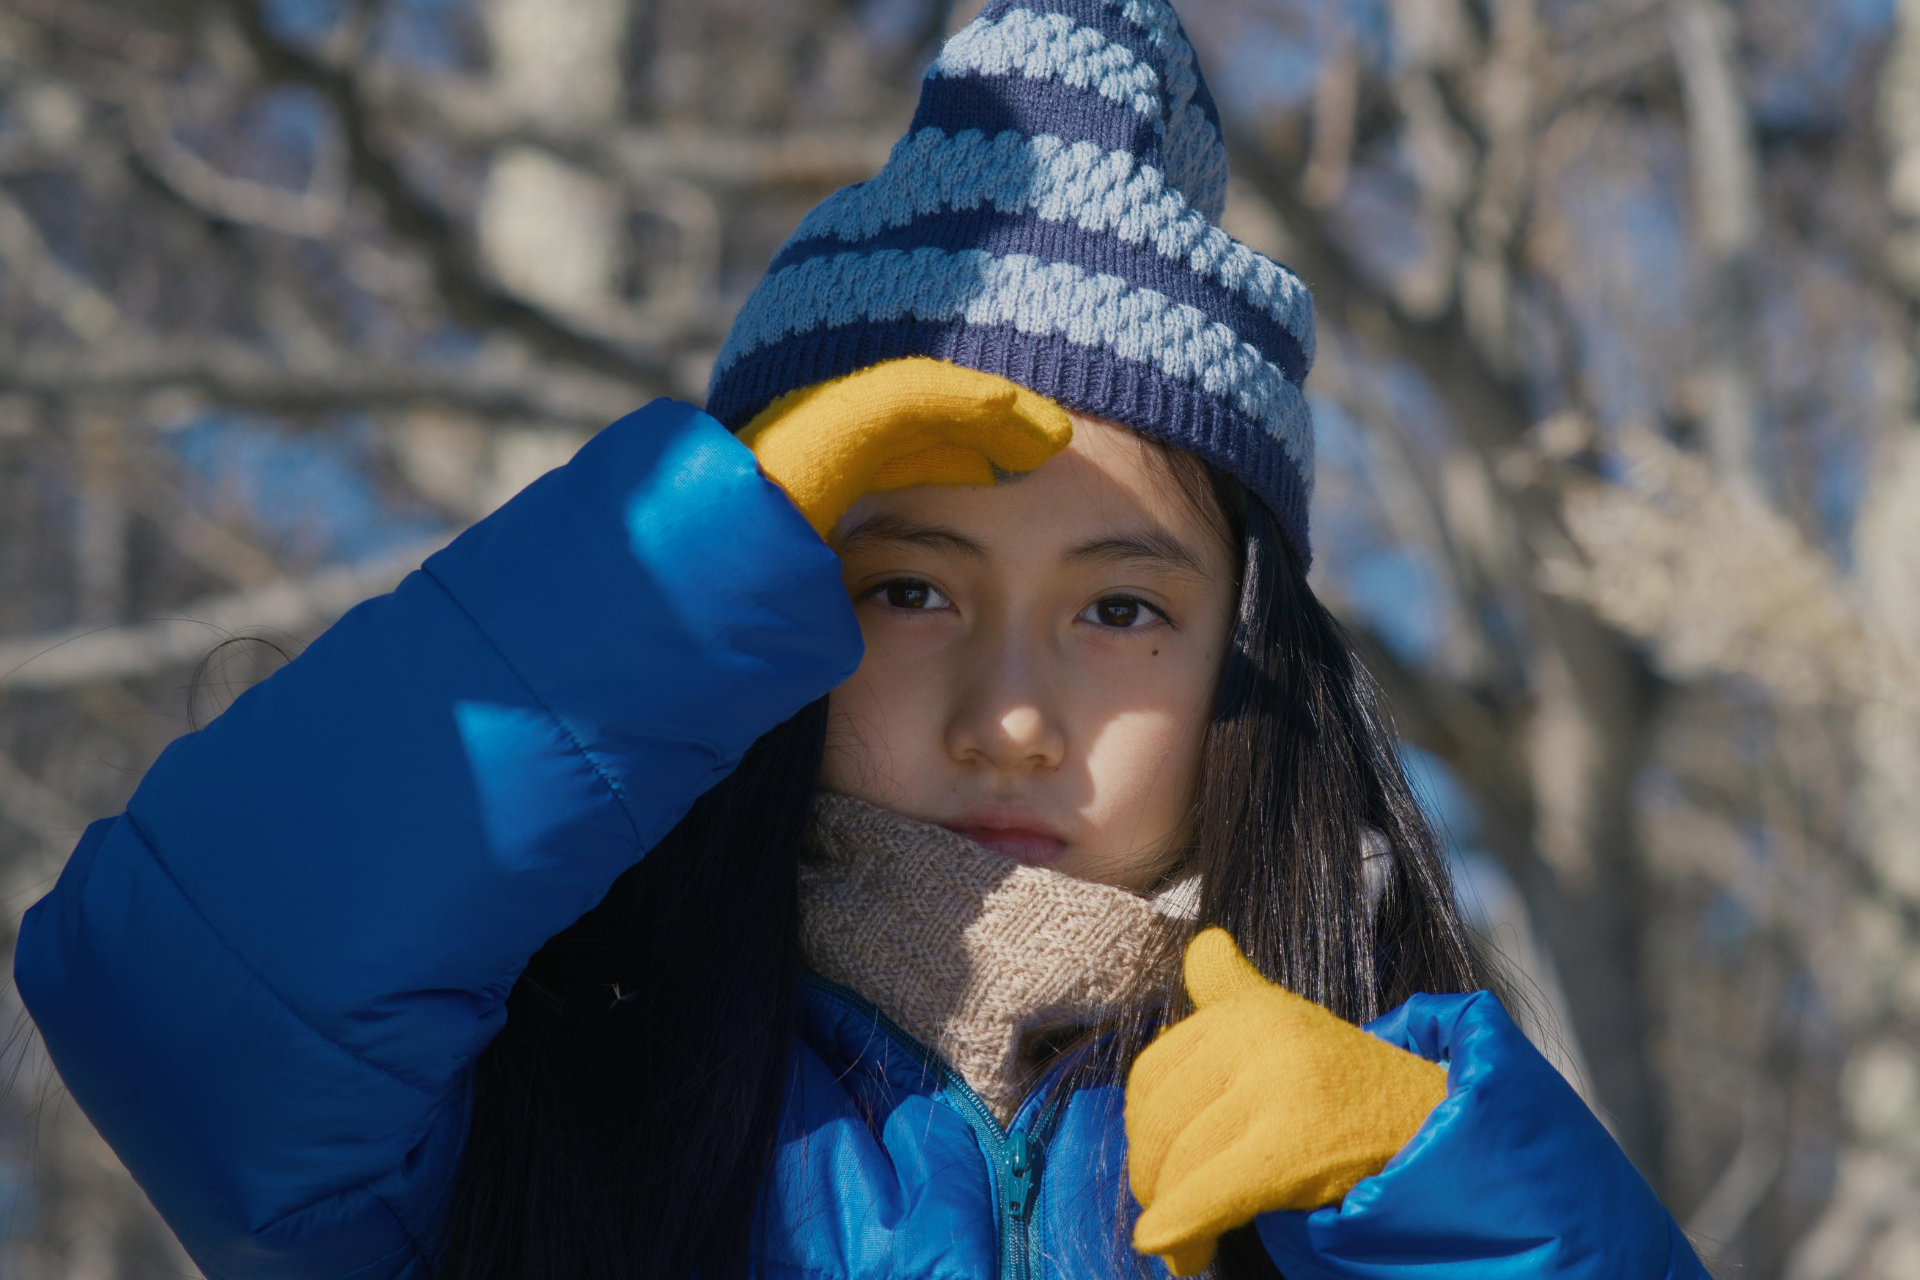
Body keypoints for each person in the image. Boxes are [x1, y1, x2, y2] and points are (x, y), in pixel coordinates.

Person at [15, 3, 1714, 1278]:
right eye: (906, 587)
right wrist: (680, 562)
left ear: (1246, 666)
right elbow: (177, 997)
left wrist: (1444, 1203)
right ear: (760, 622)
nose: (1011, 716)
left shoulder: (1363, 1160)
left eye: (1122, 609)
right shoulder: (549, 1095)